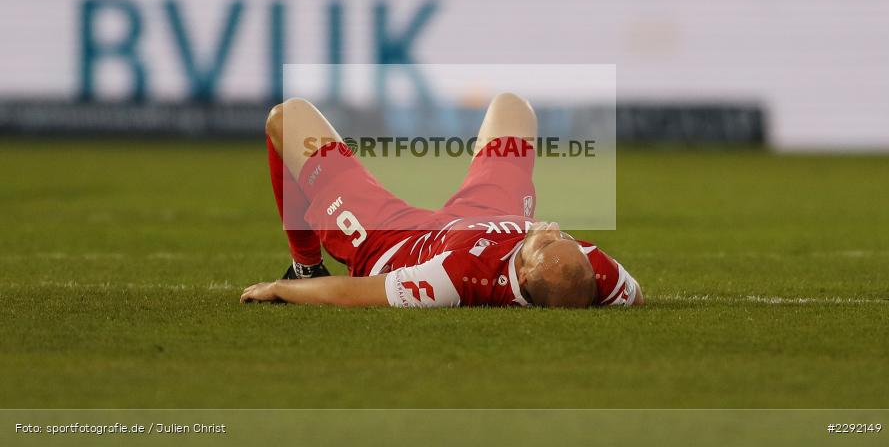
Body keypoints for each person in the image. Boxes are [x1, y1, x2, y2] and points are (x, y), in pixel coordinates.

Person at [241, 93, 642, 308]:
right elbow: (634, 294)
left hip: (396, 240)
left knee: (286, 117)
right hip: (489, 214)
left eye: (547, 241)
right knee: (513, 106)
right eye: (564, 238)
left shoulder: (455, 276)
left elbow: (349, 292)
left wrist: (280, 289)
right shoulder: (592, 272)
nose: (552, 227)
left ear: (524, 272)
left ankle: (304, 266)